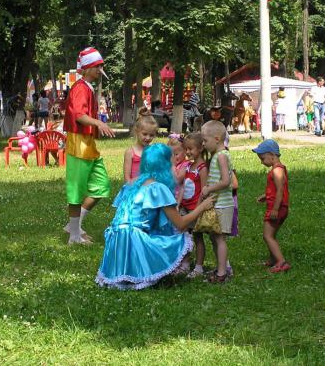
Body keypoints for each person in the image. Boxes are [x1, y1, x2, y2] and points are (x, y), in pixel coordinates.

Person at [95, 144, 215, 290]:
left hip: (115, 243)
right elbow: (181, 224)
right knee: (182, 237)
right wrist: (201, 207)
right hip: (133, 240)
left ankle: (124, 273)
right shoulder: (158, 188)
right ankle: (143, 270)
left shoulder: (132, 184)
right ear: (165, 165)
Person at [63, 47, 115, 245]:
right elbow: (79, 115)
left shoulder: (87, 88)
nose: (100, 69)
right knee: (76, 190)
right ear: (87, 68)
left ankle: (74, 226)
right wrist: (98, 123)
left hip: (88, 144)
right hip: (78, 144)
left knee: (101, 186)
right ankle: (74, 236)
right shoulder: (80, 89)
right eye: (97, 66)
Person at [200, 120, 234, 283]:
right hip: (217, 202)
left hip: (223, 204)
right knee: (214, 237)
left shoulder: (221, 156)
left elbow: (227, 181)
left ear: (217, 138)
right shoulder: (217, 155)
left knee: (219, 238)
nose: (204, 144)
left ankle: (222, 273)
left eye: (205, 141)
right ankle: (220, 267)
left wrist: (209, 189)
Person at [252, 139, 291, 273]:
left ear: (272, 155)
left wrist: (275, 208)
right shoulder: (278, 169)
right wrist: (266, 196)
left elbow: (280, 190)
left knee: (267, 236)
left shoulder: (276, 170)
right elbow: (277, 189)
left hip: (278, 208)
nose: (261, 162)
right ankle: (274, 259)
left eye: (263, 158)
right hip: (279, 206)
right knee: (271, 235)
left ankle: (281, 262)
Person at [180, 133, 209, 278]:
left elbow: (204, 191)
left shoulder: (202, 168)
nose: (188, 152)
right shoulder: (189, 166)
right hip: (185, 208)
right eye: (186, 149)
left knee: (197, 238)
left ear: (200, 149)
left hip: (195, 209)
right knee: (185, 236)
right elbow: (183, 187)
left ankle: (198, 267)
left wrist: (198, 209)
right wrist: (179, 203)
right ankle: (185, 264)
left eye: (191, 149)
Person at [123, 108, 158, 183]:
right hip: (135, 189)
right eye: (144, 134)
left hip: (150, 189)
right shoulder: (130, 152)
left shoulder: (153, 151)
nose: (148, 138)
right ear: (137, 131)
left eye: (151, 135)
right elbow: (127, 179)